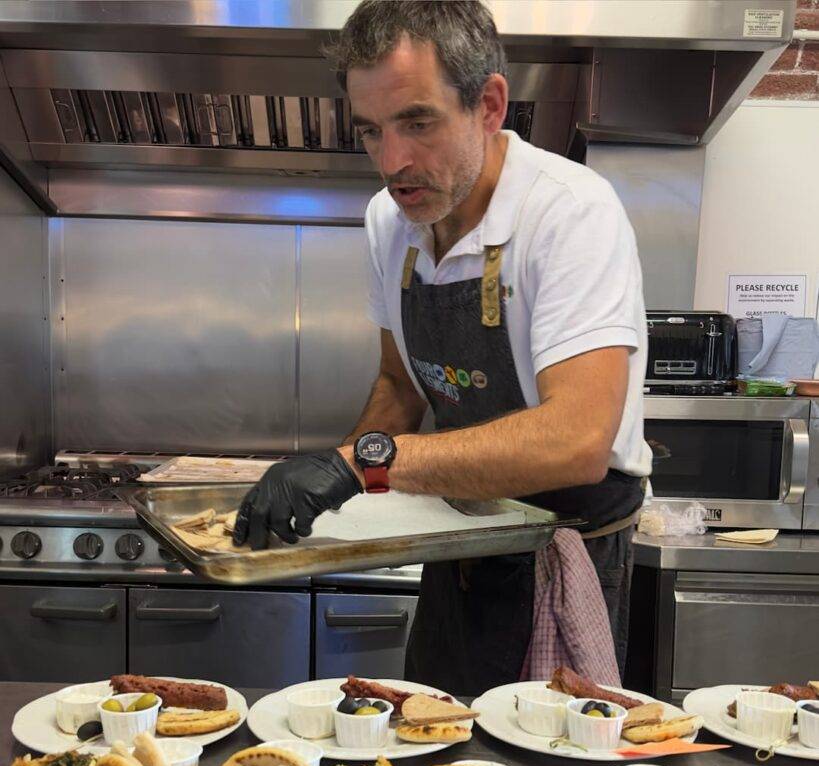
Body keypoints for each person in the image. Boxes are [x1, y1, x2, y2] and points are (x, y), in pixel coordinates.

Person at [234, 1, 652, 693]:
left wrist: (357, 464)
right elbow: (400, 387)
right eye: (370, 131)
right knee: (434, 741)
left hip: (566, 548)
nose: (392, 162)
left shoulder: (569, 212)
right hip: (457, 535)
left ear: (488, 105)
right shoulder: (389, 220)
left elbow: (577, 439)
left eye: (417, 122)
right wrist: (332, 499)